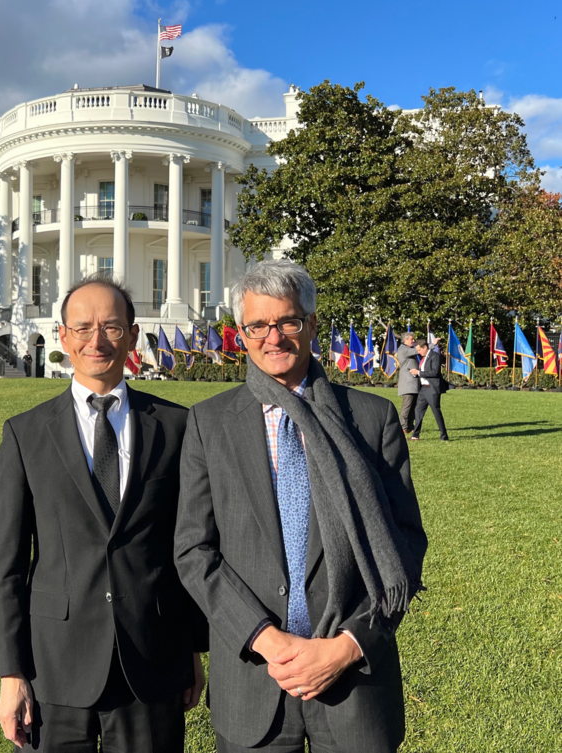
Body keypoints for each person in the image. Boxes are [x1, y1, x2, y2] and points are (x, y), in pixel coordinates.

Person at [175, 259, 427, 753]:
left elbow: (404, 542)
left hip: (354, 682)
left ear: (311, 324)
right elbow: (193, 551)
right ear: (241, 333)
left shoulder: (372, 419)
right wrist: (268, 639)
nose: (274, 337)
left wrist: (346, 646)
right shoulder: (210, 423)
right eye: (257, 325)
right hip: (254, 680)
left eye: (288, 321)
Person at [0, 273, 207, 752]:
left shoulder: (176, 427)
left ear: (132, 334)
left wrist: (193, 647)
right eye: (82, 327)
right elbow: (7, 566)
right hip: (56, 666)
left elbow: (187, 546)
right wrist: (11, 672)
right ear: (62, 336)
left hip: (152, 658)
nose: (97, 340)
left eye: (111, 326)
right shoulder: (26, 435)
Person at [411, 338, 449, 442]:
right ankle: (415, 435)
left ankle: (444, 435)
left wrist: (418, 373)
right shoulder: (423, 358)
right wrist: (416, 374)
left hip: (432, 388)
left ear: (425, 347)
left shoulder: (435, 356)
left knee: (436, 412)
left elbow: (435, 372)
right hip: (423, 389)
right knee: (418, 411)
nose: (418, 352)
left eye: (419, 350)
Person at [396, 333, 420, 434]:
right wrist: (431, 345)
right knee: (407, 405)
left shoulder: (406, 349)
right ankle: (404, 426)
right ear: (405, 340)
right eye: (412, 339)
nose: (413, 341)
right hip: (408, 383)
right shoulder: (403, 349)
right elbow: (417, 350)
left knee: (413, 406)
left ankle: (410, 425)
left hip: (413, 383)